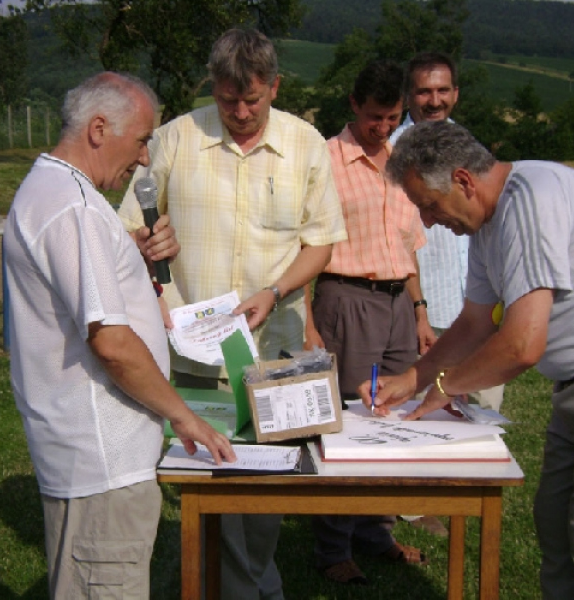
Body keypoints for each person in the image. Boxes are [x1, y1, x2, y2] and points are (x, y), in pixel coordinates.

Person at [363, 120, 574, 600]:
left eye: (430, 206)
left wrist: (449, 384)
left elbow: (523, 342)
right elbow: (475, 324)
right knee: (557, 523)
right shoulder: (485, 226)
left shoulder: (533, 196)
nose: (428, 222)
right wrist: (413, 378)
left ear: (463, 181)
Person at [117, 29, 346, 600]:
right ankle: (241, 587)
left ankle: (248, 579)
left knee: (269, 477)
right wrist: (148, 244)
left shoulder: (306, 143)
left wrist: (275, 289)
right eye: (226, 100)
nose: (240, 113)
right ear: (211, 90)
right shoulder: (175, 139)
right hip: (198, 345)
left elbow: (321, 243)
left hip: (275, 343)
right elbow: (129, 225)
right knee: (211, 474)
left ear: (275, 86)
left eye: (253, 100)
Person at [4, 72, 235, 600]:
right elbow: (110, 343)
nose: (146, 158)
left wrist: (128, 250)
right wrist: (183, 415)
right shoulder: (76, 208)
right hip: (101, 464)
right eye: (141, 140)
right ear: (99, 128)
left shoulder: (54, 190)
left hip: (87, 457)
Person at [306, 59, 431, 586]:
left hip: (399, 302)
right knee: (351, 421)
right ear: (354, 105)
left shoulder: (403, 160)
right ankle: (333, 544)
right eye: (376, 116)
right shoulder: (324, 161)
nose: (384, 127)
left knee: (395, 419)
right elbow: (307, 241)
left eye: (394, 116)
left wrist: (421, 310)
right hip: (347, 299)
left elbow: (408, 244)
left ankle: (376, 530)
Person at [391, 51, 505, 413]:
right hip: (430, 315)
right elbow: (396, 238)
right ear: (408, 97)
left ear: (456, 93)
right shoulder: (394, 154)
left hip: (479, 308)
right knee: (431, 419)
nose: (434, 101)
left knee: (485, 416)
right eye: (424, 92)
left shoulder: (468, 146)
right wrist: (419, 309)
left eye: (443, 90)